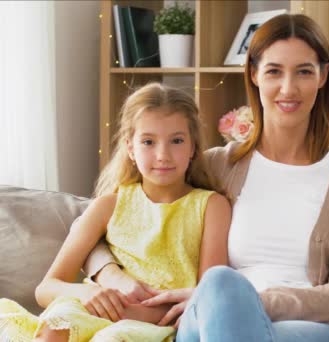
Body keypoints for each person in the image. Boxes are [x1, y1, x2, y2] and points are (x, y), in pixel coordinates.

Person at [85, 14, 329, 342]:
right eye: (273, 71)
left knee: (222, 288)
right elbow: (113, 221)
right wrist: (108, 273)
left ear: (323, 76)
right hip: (209, 319)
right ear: (253, 74)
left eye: (304, 72)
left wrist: (246, 302)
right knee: (220, 283)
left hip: (310, 328)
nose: (288, 88)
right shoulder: (216, 165)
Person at [0, 83, 231, 341]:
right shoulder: (108, 206)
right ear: (130, 148)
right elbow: (46, 288)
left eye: (176, 141)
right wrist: (86, 293)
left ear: (193, 148)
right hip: (90, 308)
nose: (163, 155)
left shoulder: (211, 206)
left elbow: (208, 295)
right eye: (148, 142)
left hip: (150, 324)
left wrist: (134, 313)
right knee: (56, 328)